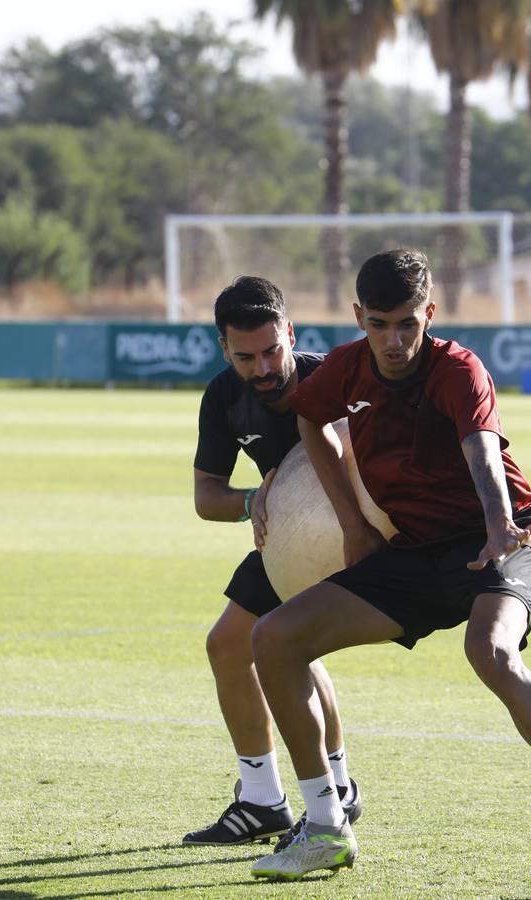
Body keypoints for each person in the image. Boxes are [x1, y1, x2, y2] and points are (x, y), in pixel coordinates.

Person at [248, 249, 531, 894]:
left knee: (490, 651)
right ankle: (324, 826)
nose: (396, 339)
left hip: (503, 540)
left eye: (408, 322)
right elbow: (310, 418)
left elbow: (483, 455)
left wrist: (496, 527)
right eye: (380, 324)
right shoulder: (347, 369)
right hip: (414, 552)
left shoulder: (458, 369)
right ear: (359, 318)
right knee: (274, 638)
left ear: (429, 313)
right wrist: (352, 523)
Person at [188, 276, 362, 847]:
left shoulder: (333, 378)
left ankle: (336, 788)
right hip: (287, 540)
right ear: (224, 348)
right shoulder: (223, 397)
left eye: (272, 350)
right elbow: (206, 498)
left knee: (290, 643)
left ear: (290, 332)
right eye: (246, 356)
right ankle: (263, 799)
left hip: (359, 535)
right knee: (229, 644)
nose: (262, 367)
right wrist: (251, 501)